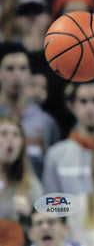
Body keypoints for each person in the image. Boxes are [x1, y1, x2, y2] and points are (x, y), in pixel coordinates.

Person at [0, 42, 60, 177]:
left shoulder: (45, 122)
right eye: (10, 68)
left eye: (23, 68)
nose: (17, 75)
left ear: (30, 73)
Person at [0, 115, 43, 229]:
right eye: (3, 133)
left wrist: (28, 216)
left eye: (15, 135)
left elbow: (41, 229)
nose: (10, 139)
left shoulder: (31, 186)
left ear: (22, 144)